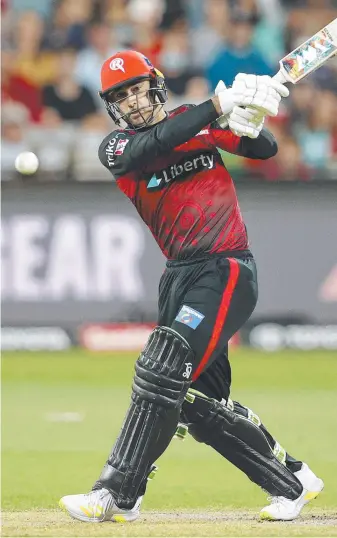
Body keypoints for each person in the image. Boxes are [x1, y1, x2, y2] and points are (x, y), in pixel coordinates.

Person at [59, 50, 324, 524]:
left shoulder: (197, 122)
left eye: (138, 88)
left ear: (156, 85)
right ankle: (292, 481)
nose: (133, 101)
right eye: (122, 96)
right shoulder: (117, 148)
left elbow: (264, 151)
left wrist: (249, 118)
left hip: (225, 268)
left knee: (162, 368)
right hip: (178, 276)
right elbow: (154, 145)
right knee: (197, 404)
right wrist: (218, 105)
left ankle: (117, 492)